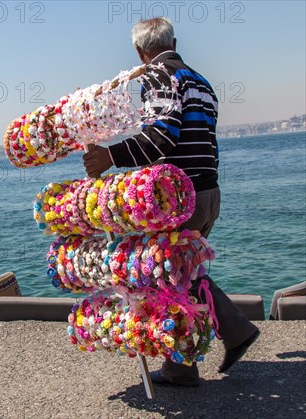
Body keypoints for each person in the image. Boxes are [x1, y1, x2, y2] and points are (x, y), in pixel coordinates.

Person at [82, 17, 259, 386]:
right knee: (181, 275)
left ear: (138, 51)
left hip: (180, 198)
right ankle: (183, 364)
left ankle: (232, 333)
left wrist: (110, 157)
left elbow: (162, 136)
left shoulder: (159, 77)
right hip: (209, 191)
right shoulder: (202, 81)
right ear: (174, 41)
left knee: (167, 275)